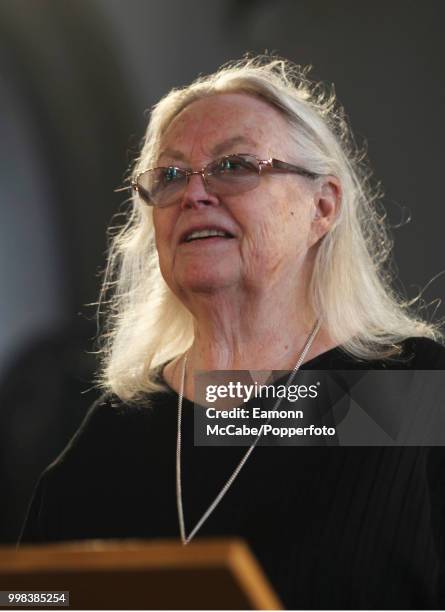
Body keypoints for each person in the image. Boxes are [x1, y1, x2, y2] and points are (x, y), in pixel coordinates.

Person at [19, 56, 445, 609]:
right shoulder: (113, 433)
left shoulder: (411, 396)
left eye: (236, 164)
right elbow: (32, 597)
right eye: (169, 176)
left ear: (322, 206)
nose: (194, 195)